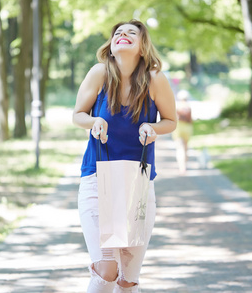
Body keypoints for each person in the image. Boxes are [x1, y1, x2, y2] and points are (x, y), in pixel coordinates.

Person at [72, 19, 177, 292]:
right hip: (97, 179)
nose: (123, 35)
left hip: (137, 185)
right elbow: (78, 115)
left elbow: (170, 121)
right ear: (111, 44)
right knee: (107, 270)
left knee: (127, 279)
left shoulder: (155, 80)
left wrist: (152, 127)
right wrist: (93, 122)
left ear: (142, 47)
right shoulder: (99, 74)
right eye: (118, 32)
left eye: (132, 33)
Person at [173, 90, 193, 174]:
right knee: (185, 147)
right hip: (187, 128)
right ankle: (185, 165)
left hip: (179, 128)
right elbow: (190, 120)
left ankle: (181, 167)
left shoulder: (177, 106)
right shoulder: (188, 107)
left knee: (179, 148)